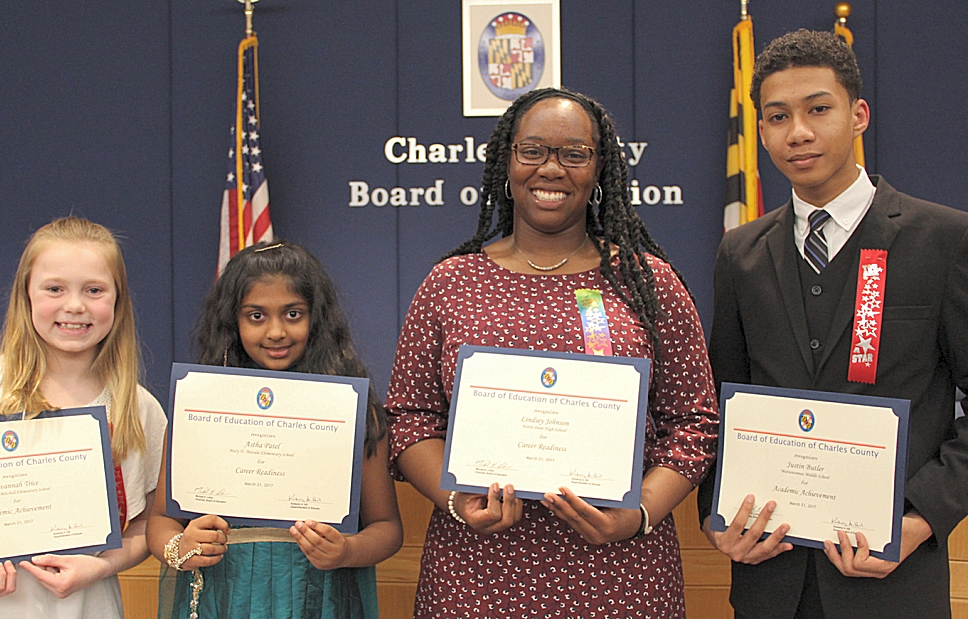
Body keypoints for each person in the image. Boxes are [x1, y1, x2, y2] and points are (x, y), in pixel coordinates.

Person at [387, 87, 719, 617]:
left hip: (619, 573)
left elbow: (695, 421)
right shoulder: (451, 283)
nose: (551, 169)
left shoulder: (647, 283)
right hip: (476, 574)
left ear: (600, 168)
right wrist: (457, 501)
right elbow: (410, 417)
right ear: (507, 161)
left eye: (574, 153)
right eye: (533, 151)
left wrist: (638, 514)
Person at [696, 29, 968, 619]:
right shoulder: (740, 253)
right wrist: (719, 517)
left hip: (893, 580)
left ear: (859, 114)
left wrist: (921, 518)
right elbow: (721, 401)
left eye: (818, 109)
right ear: (761, 130)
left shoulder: (944, 240)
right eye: (777, 116)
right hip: (770, 576)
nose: (798, 131)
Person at [146, 240, 402, 619]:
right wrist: (179, 547)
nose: (277, 331)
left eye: (293, 314)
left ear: (318, 318)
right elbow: (160, 521)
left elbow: (387, 528)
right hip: (222, 593)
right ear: (231, 321)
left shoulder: (353, 412)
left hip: (317, 596)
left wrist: (347, 551)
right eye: (256, 316)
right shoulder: (197, 406)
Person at [0, 216, 167, 618]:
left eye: (94, 290)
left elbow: (145, 528)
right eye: (54, 289)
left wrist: (102, 565)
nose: (75, 305)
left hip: (89, 606)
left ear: (118, 300)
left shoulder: (139, 409)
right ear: (25, 295)